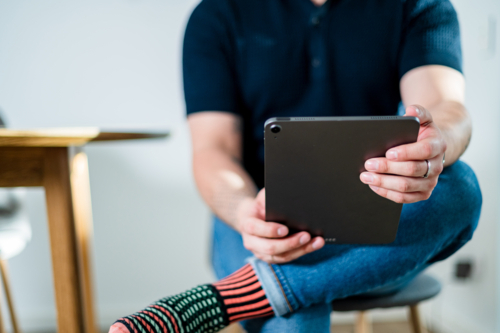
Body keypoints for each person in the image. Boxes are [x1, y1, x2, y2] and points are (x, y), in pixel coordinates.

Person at [110, 0, 482, 332]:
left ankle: (231, 297)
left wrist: (437, 144)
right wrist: (245, 213)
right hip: (259, 218)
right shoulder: (216, 15)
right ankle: (268, 287)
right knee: (294, 318)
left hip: (379, 236)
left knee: (461, 187)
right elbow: (213, 150)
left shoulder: (418, 6)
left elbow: (446, 107)